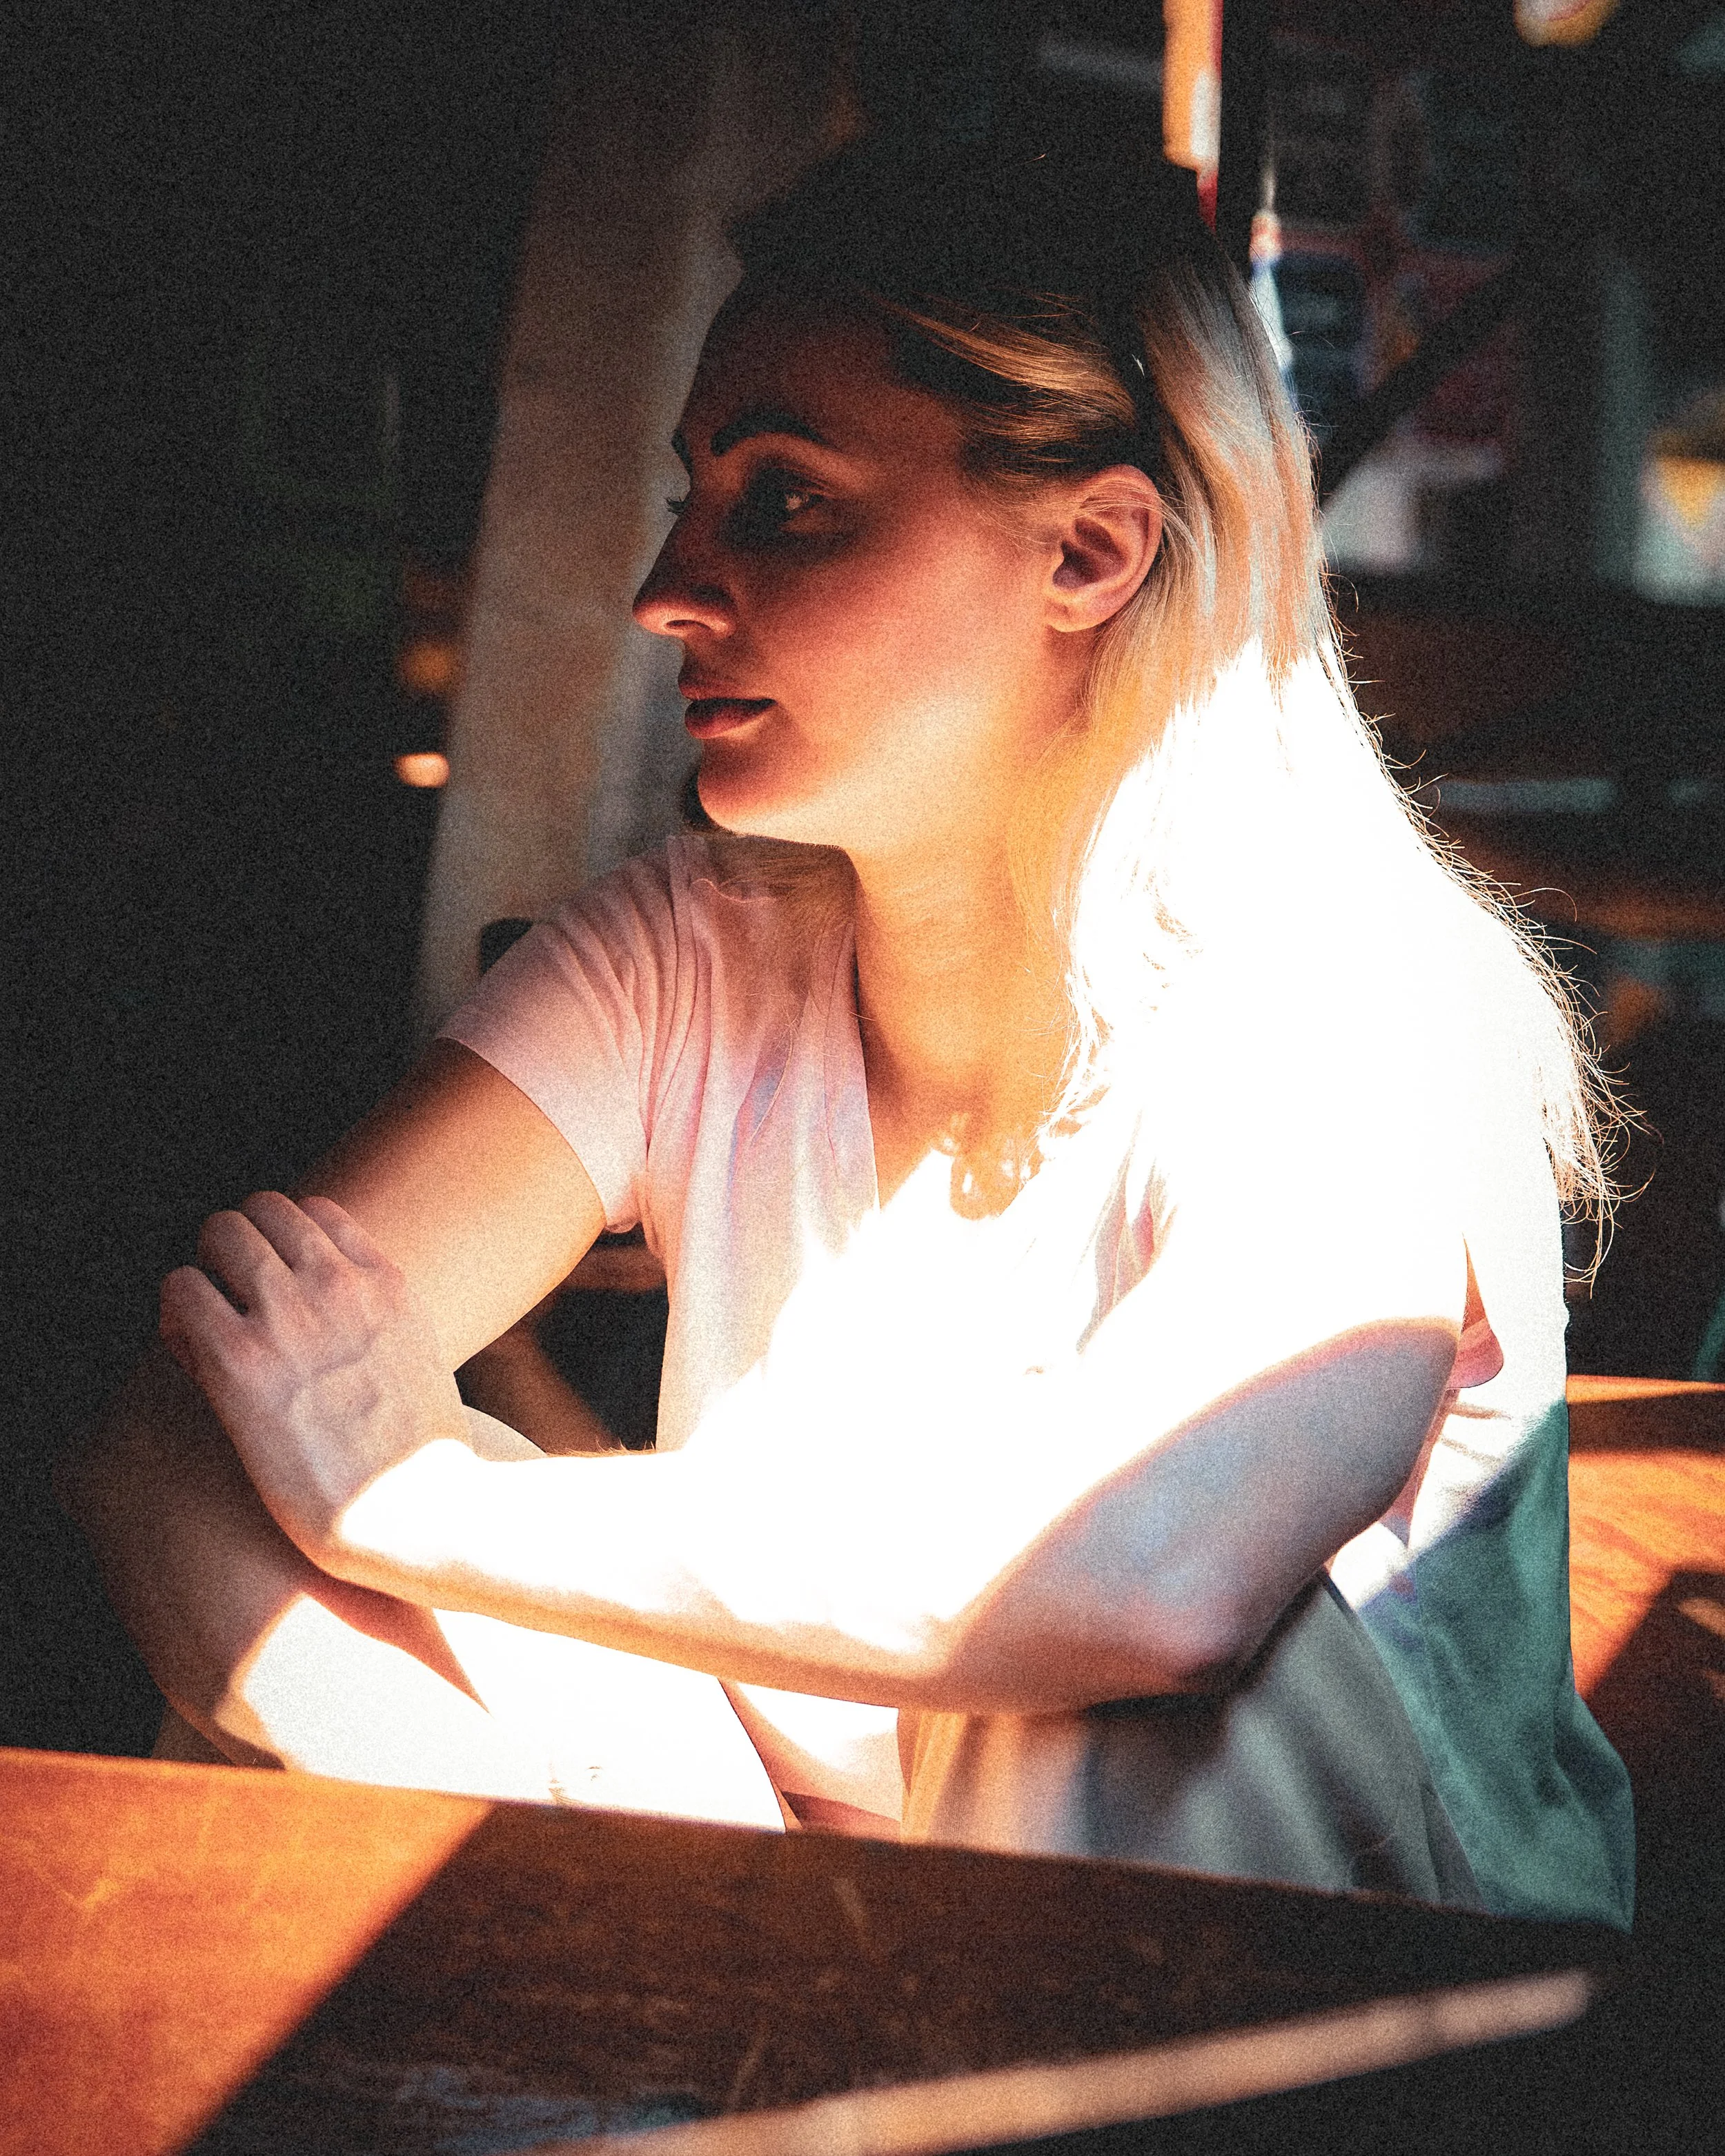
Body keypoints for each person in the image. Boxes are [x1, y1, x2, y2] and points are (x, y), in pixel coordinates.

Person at [63, 142, 1634, 1923]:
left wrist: (409, 1503)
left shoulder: (1352, 1003)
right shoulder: (683, 960)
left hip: (1363, 2027)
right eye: (690, 496)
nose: (667, 587)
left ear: (1089, 548)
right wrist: (676, 1906)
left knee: (1094, 1695)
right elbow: (177, 1439)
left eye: (781, 500)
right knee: (283, 1507)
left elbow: (1149, 1574)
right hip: (791, 1931)